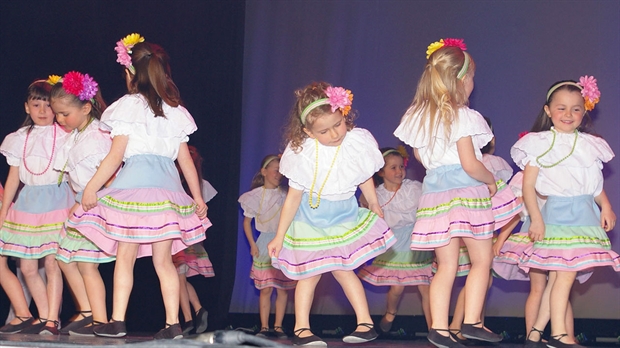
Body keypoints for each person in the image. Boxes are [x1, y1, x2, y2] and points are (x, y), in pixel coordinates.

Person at [66, 33, 211, 339]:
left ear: (131, 73)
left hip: (133, 188)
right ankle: (173, 324)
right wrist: (197, 197)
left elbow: (115, 156)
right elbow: (184, 160)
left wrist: (91, 188)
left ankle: (117, 321)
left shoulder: (127, 107)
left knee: (125, 256)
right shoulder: (175, 111)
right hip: (168, 192)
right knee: (164, 261)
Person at [393, 38, 520, 348]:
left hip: (435, 194)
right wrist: (490, 181)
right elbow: (470, 163)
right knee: (481, 260)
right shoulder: (462, 115)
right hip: (466, 192)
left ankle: (438, 327)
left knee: (445, 265)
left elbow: (422, 160)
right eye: (472, 76)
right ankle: (473, 321)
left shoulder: (417, 116)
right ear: (462, 79)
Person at [267, 82, 395, 346]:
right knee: (309, 274)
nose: (335, 134)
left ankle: (365, 323)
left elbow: (364, 178)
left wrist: (373, 203)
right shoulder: (303, 153)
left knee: (344, 269)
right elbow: (293, 198)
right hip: (311, 218)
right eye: (324, 131)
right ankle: (302, 329)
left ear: (344, 116)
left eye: (338, 124)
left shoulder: (356, 143)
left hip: (343, 215)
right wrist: (279, 236)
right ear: (308, 132)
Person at [510, 76, 618, 348]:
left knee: (559, 277)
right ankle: (559, 334)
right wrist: (536, 218)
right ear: (548, 110)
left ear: (585, 110)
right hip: (558, 216)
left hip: (583, 215)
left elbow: (593, 185)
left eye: (576, 108)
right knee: (565, 275)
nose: (568, 114)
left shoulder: (590, 145)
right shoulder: (539, 143)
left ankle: (535, 335)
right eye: (561, 108)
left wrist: (605, 205)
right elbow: (529, 187)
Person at [0, 79, 73, 334]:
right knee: (28, 267)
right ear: (27, 107)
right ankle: (43, 316)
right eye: (36, 104)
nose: (42, 110)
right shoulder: (18, 138)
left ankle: (53, 319)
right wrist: (3, 211)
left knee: (53, 263)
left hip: (57, 199)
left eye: (47, 105)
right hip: (28, 202)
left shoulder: (65, 135)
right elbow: (12, 178)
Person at [49, 71, 115, 336]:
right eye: (58, 114)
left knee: (87, 264)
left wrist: (97, 198)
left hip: (95, 205)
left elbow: (111, 175)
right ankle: (88, 311)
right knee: (64, 258)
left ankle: (100, 320)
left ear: (86, 107)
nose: (60, 119)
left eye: (65, 113)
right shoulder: (75, 135)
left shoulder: (98, 137)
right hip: (81, 204)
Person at [357, 147, 432, 333]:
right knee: (397, 288)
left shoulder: (414, 188)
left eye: (401, 167)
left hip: (416, 242)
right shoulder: (375, 195)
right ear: (381, 172)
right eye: (393, 167)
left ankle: (435, 329)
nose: (399, 171)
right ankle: (390, 313)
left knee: (426, 287)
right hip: (394, 245)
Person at [239, 154, 296, 339]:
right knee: (265, 289)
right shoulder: (254, 196)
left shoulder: (287, 194)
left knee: (282, 288)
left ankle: (278, 326)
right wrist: (252, 244)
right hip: (264, 243)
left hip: (284, 242)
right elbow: (247, 222)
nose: (278, 174)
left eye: (281, 171)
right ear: (264, 171)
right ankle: (264, 326)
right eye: (275, 169)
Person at [173, 145, 216, 335]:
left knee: (178, 276)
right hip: (193, 235)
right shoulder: (201, 185)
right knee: (179, 276)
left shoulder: (174, 183)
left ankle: (190, 317)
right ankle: (195, 312)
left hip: (178, 234)